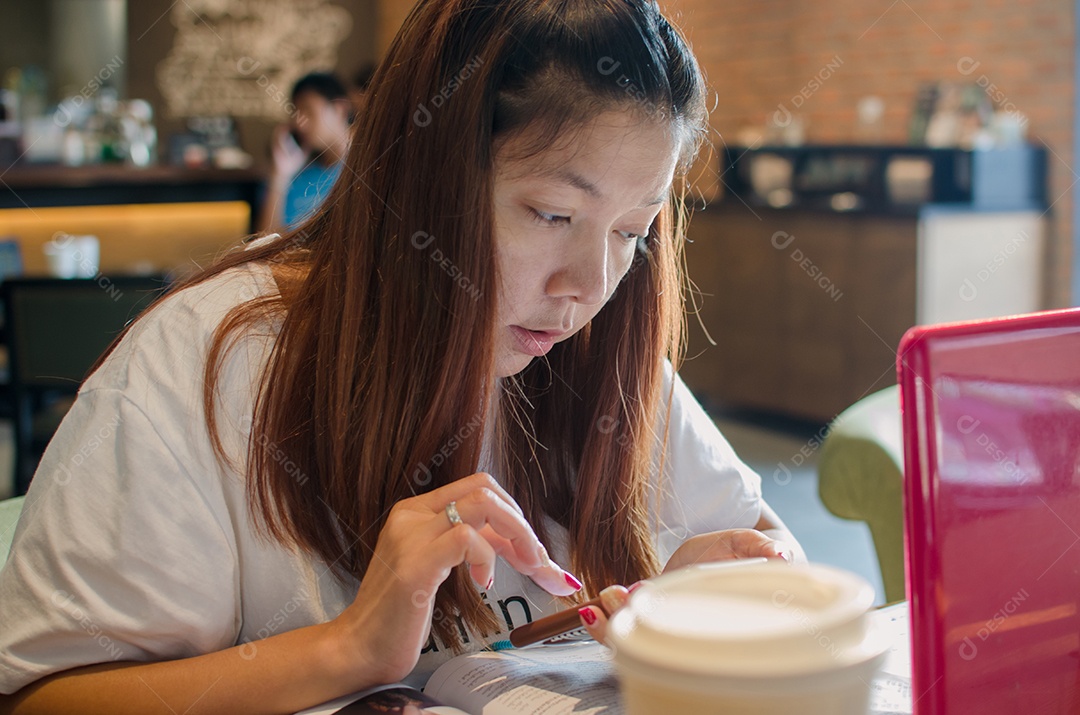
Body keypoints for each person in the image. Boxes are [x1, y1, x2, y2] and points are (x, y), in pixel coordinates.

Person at [0, 0, 805, 712]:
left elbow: (768, 547)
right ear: (424, 180)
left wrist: (715, 605)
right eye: (553, 214)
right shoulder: (210, 363)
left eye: (633, 230)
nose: (590, 286)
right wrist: (348, 647)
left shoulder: (597, 355)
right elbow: (42, 695)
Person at [256, 71, 354, 234]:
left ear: (340, 110)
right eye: (296, 114)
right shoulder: (295, 173)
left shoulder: (363, 168)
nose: (299, 124)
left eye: (309, 112)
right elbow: (265, 241)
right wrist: (278, 176)